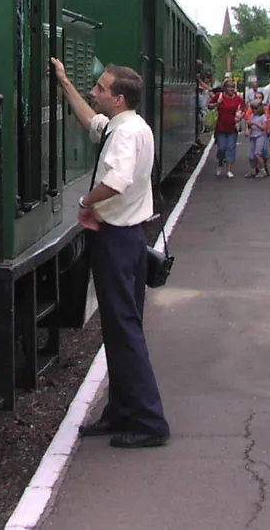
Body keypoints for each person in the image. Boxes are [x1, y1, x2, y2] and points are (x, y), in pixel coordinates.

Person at [50, 57, 170, 448]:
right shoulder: (129, 126)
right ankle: (121, 411)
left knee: (124, 330)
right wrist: (65, 82)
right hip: (129, 238)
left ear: (118, 98)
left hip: (117, 240)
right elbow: (92, 123)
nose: (94, 92)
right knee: (120, 329)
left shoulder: (124, 135)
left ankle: (150, 421)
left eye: (100, 88)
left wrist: (87, 202)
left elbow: (115, 181)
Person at [209, 79, 245, 178]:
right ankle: (220, 162)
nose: (231, 89)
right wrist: (218, 103)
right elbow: (209, 106)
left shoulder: (238, 99)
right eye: (229, 87)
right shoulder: (219, 96)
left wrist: (240, 115)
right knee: (222, 148)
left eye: (232, 87)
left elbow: (243, 110)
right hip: (221, 126)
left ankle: (229, 170)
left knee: (231, 148)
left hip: (233, 127)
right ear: (225, 88)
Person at [245, 100, 270, 177]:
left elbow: (264, 127)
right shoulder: (252, 116)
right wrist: (247, 130)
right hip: (253, 136)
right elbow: (249, 125)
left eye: (255, 109)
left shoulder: (262, 117)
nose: (253, 111)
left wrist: (255, 123)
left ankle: (262, 170)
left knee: (257, 154)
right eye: (252, 109)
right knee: (251, 155)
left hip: (260, 136)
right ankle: (253, 170)